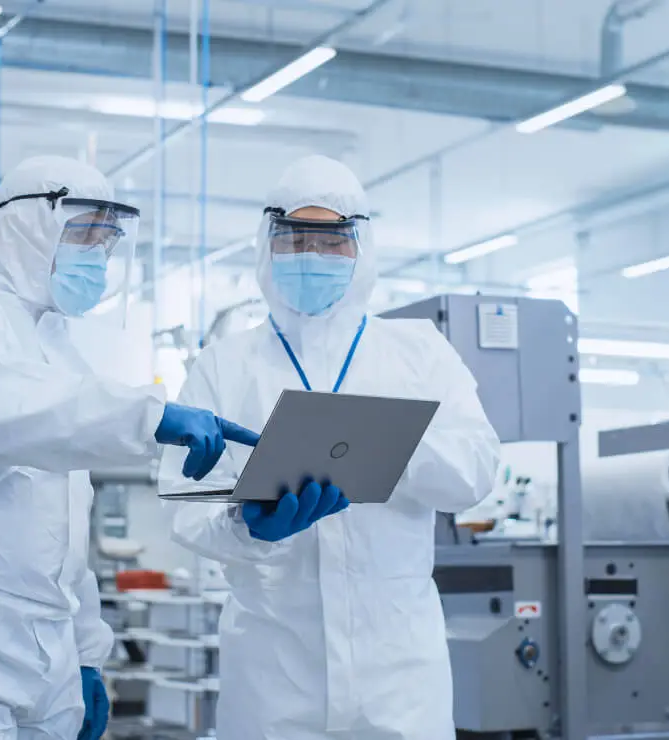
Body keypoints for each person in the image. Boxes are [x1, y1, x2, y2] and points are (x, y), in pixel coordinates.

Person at [0, 155, 257, 739]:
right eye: (83, 233)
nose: (97, 255)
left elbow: (60, 532)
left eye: (107, 241)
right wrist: (152, 413)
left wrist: (87, 651)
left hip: (47, 656)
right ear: (25, 224)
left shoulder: (60, 351)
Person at [159, 154, 501, 739]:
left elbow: (477, 470)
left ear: (361, 246)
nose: (312, 256)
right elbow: (180, 505)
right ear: (268, 243)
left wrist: (385, 446)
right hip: (274, 675)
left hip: (398, 677)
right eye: (296, 238)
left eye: (332, 240)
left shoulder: (418, 353)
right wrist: (247, 527)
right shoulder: (225, 364)